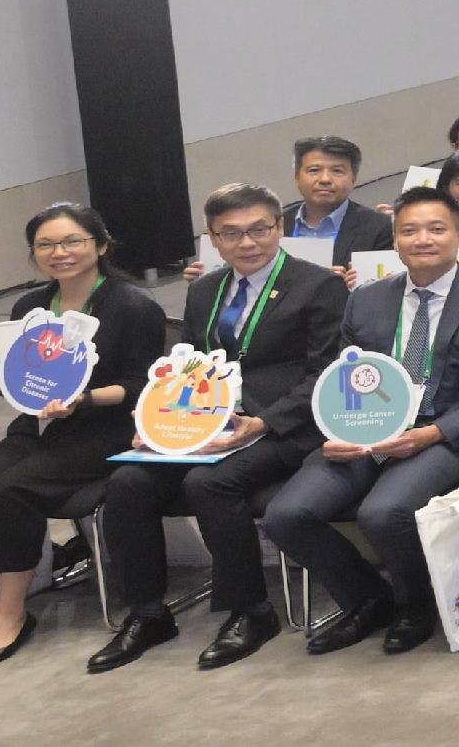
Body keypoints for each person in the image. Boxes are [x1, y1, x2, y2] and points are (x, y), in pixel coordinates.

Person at [86, 185, 352, 672]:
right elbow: (184, 365)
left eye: (258, 230)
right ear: (213, 238)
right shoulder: (205, 289)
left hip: (285, 427)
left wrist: (263, 422)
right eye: (231, 233)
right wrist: (157, 422)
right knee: (128, 482)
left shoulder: (317, 285)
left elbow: (325, 374)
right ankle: (147, 613)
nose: (247, 242)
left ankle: (251, 610)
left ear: (279, 228)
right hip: (205, 423)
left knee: (210, 482)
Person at [262, 187, 459, 656]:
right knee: (287, 515)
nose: (422, 239)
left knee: (383, 513)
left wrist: (434, 433)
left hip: (449, 434)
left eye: (436, 228)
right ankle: (368, 600)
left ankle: (416, 607)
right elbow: (340, 381)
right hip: (368, 431)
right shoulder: (364, 300)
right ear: (394, 240)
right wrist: (337, 432)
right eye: (409, 230)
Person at [0, 203, 171, 670]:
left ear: (100, 245)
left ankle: (12, 612)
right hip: (37, 427)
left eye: (72, 241)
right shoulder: (30, 308)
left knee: (9, 491)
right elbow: (8, 381)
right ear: (34, 253)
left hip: (105, 430)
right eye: (46, 244)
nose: (59, 253)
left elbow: (145, 386)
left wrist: (84, 399)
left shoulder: (133, 306)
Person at [279, 135, 396, 258]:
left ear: (353, 179)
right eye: (314, 170)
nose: (325, 179)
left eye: (337, 171)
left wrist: (339, 278)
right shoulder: (274, 225)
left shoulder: (380, 228)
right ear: (297, 178)